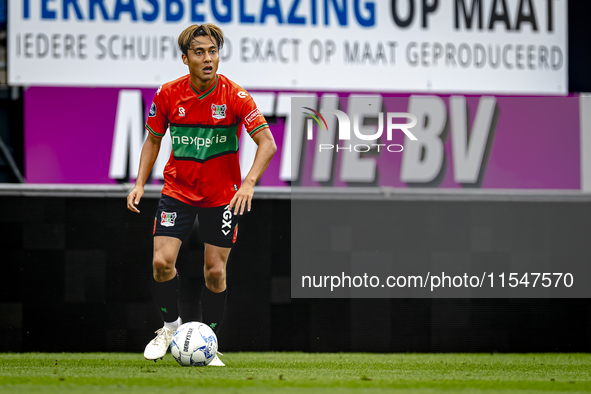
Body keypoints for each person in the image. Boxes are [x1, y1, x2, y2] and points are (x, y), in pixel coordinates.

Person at [126, 23, 277, 366]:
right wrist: (139, 183)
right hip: (178, 190)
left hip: (222, 196)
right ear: (185, 58)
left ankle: (207, 344)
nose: (208, 59)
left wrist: (249, 183)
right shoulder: (167, 93)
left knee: (215, 272)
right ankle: (169, 328)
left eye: (213, 51)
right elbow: (153, 139)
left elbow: (267, 143)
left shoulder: (236, 96)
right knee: (162, 263)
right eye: (199, 52)